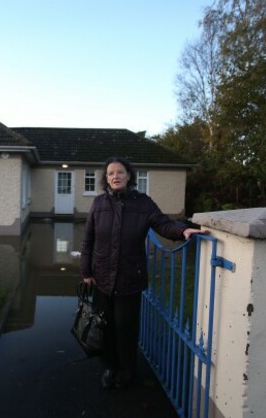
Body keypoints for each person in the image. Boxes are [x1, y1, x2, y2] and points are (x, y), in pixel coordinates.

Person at [80, 156, 207, 389]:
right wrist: (86, 270)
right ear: (106, 179)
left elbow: (162, 223)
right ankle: (110, 368)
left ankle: (127, 372)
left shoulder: (143, 203)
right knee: (104, 326)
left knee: (125, 329)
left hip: (130, 278)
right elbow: (88, 239)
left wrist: (183, 230)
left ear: (129, 176)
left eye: (120, 172)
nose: (115, 176)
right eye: (110, 173)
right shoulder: (98, 203)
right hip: (101, 278)